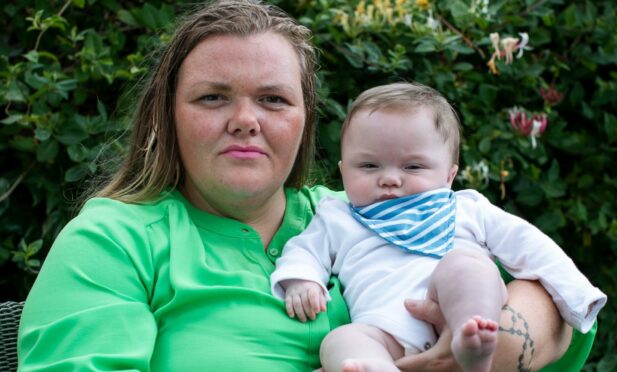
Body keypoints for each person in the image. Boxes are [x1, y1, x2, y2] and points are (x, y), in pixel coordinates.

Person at [17, 1, 596, 370]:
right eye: (213, 97)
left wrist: (468, 352)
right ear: (167, 117)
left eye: (273, 99)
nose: (246, 119)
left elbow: (553, 314)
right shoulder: (113, 238)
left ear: (304, 122)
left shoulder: (358, 212)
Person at [271, 82, 607, 372]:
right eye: (369, 165)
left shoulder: (466, 207)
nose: (390, 178)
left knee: (465, 266)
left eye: (413, 166)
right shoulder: (337, 217)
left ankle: (471, 339)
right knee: (341, 341)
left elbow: (530, 246)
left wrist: (578, 295)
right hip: (384, 330)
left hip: (462, 310)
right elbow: (303, 250)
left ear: (449, 175)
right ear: (344, 171)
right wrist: (302, 279)